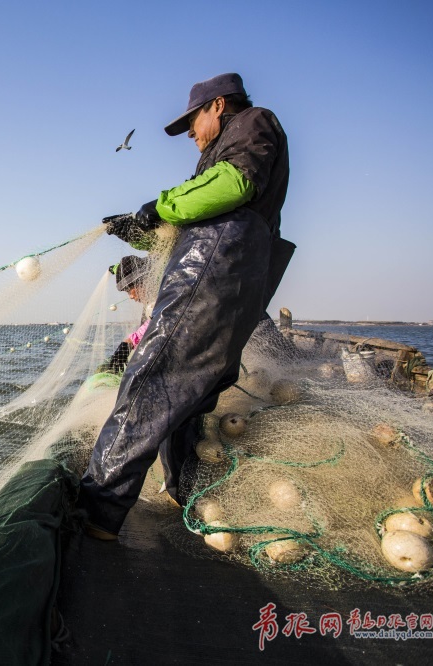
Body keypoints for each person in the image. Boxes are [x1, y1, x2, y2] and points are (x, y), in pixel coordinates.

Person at [79, 73, 291, 541]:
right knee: (191, 394)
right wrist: (139, 228)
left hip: (217, 265)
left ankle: (97, 509)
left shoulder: (253, 122)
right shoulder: (237, 141)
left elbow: (231, 186)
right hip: (241, 277)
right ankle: (184, 492)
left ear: (218, 106)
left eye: (193, 122)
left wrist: (157, 207)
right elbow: (200, 210)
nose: (192, 135)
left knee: (150, 378)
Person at [99, 255, 152, 375]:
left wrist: (130, 342)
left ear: (141, 282)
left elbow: (155, 321)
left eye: (129, 291)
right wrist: (116, 269)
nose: (131, 297)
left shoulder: (162, 294)